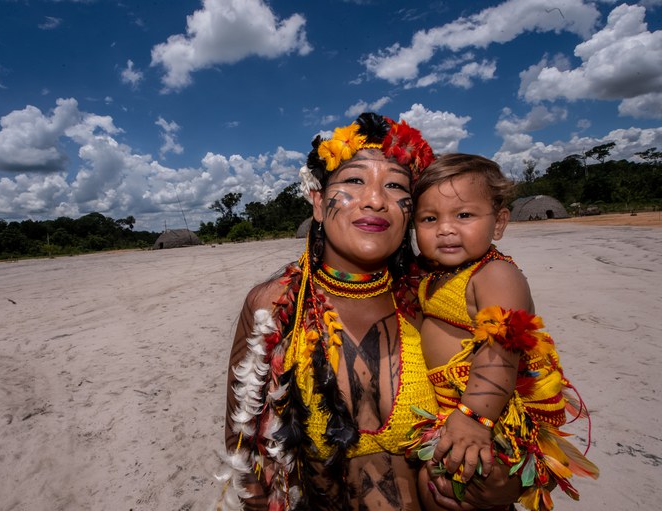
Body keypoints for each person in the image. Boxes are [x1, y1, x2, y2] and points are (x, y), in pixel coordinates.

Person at [218, 115, 522, 511]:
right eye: (354, 181)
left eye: (394, 185)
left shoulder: (431, 302)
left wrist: (504, 487)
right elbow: (244, 453)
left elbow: (508, 413)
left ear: (410, 211)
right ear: (318, 203)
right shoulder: (273, 306)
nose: (376, 199)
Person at [408, 153, 599, 511]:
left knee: (460, 487)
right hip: (453, 410)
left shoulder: (495, 275)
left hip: (487, 412)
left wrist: (475, 418)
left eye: (464, 215)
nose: (445, 228)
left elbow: (502, 350)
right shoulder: (437, 273)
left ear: (498, 223)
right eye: (429, 218)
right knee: (438, 485)